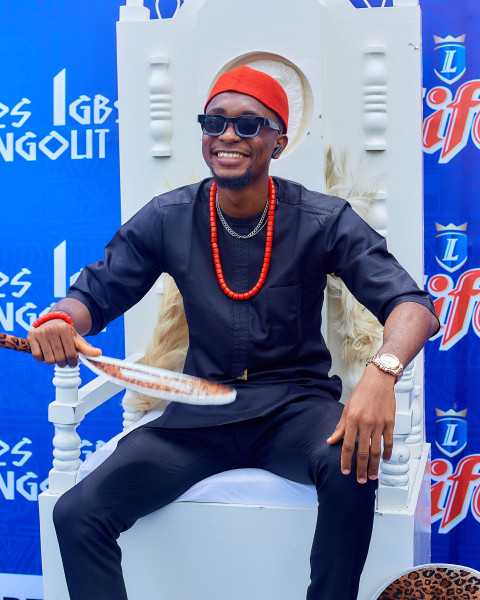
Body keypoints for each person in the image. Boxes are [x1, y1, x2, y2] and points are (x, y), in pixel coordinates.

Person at [28, 66, 439, 600]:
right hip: (200, 415)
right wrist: (60, 318)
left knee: (350, 465)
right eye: (214, 122)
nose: (227, 135)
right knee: (78, 511)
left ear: (278, 140)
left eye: (249, 125)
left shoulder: (321, 218)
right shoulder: (168, 216)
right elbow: (96, 292)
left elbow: (412, 304)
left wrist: (382, 372)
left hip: (294, 409)